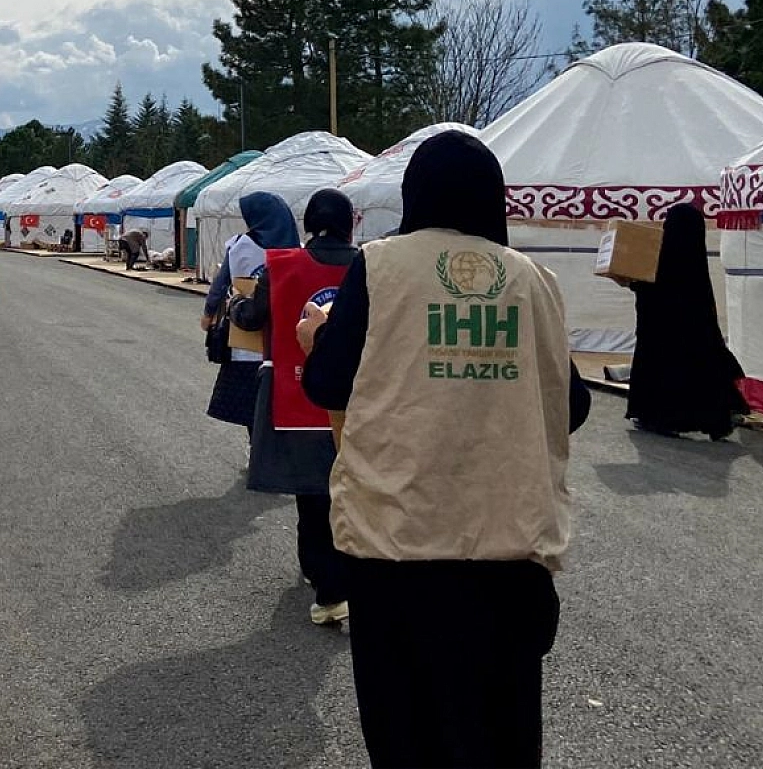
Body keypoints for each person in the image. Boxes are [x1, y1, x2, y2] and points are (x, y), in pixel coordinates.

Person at [298, 131, 592, 769]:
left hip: (398, 551)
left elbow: (327, 383)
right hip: (509, 555)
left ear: (415, 195)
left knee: (407, 735)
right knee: (500, 736)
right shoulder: (534, 280)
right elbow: (572, 407)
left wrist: (318, 337)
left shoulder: (378, 268)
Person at [233, 189, 356, 626]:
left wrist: (235, 304)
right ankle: (342, 576)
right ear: (351, 223)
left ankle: (326, 584)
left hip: (297, 388)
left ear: (307, 224)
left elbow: (252, 317)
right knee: (355, 487)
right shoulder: (370, 265)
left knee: (312, 491)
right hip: (360, 396)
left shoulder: (280, 266)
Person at [626, 202, 747, 440]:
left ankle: (661, 416)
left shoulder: (663, 259)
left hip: (661, 334)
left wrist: (633, 283)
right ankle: (717, 418)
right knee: (701, 366)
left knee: (665, 370)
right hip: (694, 331)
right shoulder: (695, 264)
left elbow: (653, 292)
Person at [202, 193, 299, 435]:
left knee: (250, 402)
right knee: (282, 397)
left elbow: (221, 282)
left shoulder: (239, 246)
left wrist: (209, 313)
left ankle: (256, 446)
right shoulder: (297, 250)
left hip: (246, 335)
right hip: (285, 337)